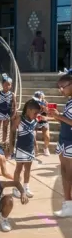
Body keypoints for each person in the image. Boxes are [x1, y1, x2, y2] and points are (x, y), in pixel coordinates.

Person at [49, 69, 72, 217]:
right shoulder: (69, 102)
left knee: (69, 174)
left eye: (63, 87)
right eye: (59, 87)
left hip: (70, 142)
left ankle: (69, 204)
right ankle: (67, 203)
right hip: (64, 140)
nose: (61, 90)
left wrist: (59, 116)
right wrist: (53, 115)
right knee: (64, 172)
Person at [12, 98, 43, 199]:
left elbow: (33, 133)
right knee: (19, 168)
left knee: (28, 169)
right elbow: (12, 131)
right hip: (21, 148)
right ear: (29, 110)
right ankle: (16, 188)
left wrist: (35, 144)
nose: (36, 115)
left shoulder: (34, 121)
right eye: (35, 113)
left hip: (30, 148)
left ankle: (26, 187)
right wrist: (11, 145)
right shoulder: (20, 119)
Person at [0, 74, 16, 145]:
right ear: (2, 84)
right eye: (6, 84)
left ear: (11, 86)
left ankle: (3, 144)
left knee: (5, 129)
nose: (7, 86)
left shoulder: (12, 94)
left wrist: (14, 114)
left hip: (7, 114)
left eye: (9, 84)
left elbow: (15, 105)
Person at [34, 91, 50, 156]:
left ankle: (46, 148)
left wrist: (44, 108)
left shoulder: (46, 103)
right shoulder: (32, 103)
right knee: (33, 134)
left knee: (47, 136)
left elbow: (49, 114)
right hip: (35, 120)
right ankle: (35, 147)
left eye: (40, 97)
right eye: (38, 97)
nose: (40, 98)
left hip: (44, 121)